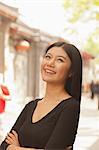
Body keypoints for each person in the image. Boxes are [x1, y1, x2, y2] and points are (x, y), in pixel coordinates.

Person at [0, 41, 82, 150]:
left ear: (71, 71)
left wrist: (15, 148)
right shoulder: (31, 106)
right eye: (48, 57)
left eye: (60, 60)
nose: (50, 63)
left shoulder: (70, 107)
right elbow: (3, 146)